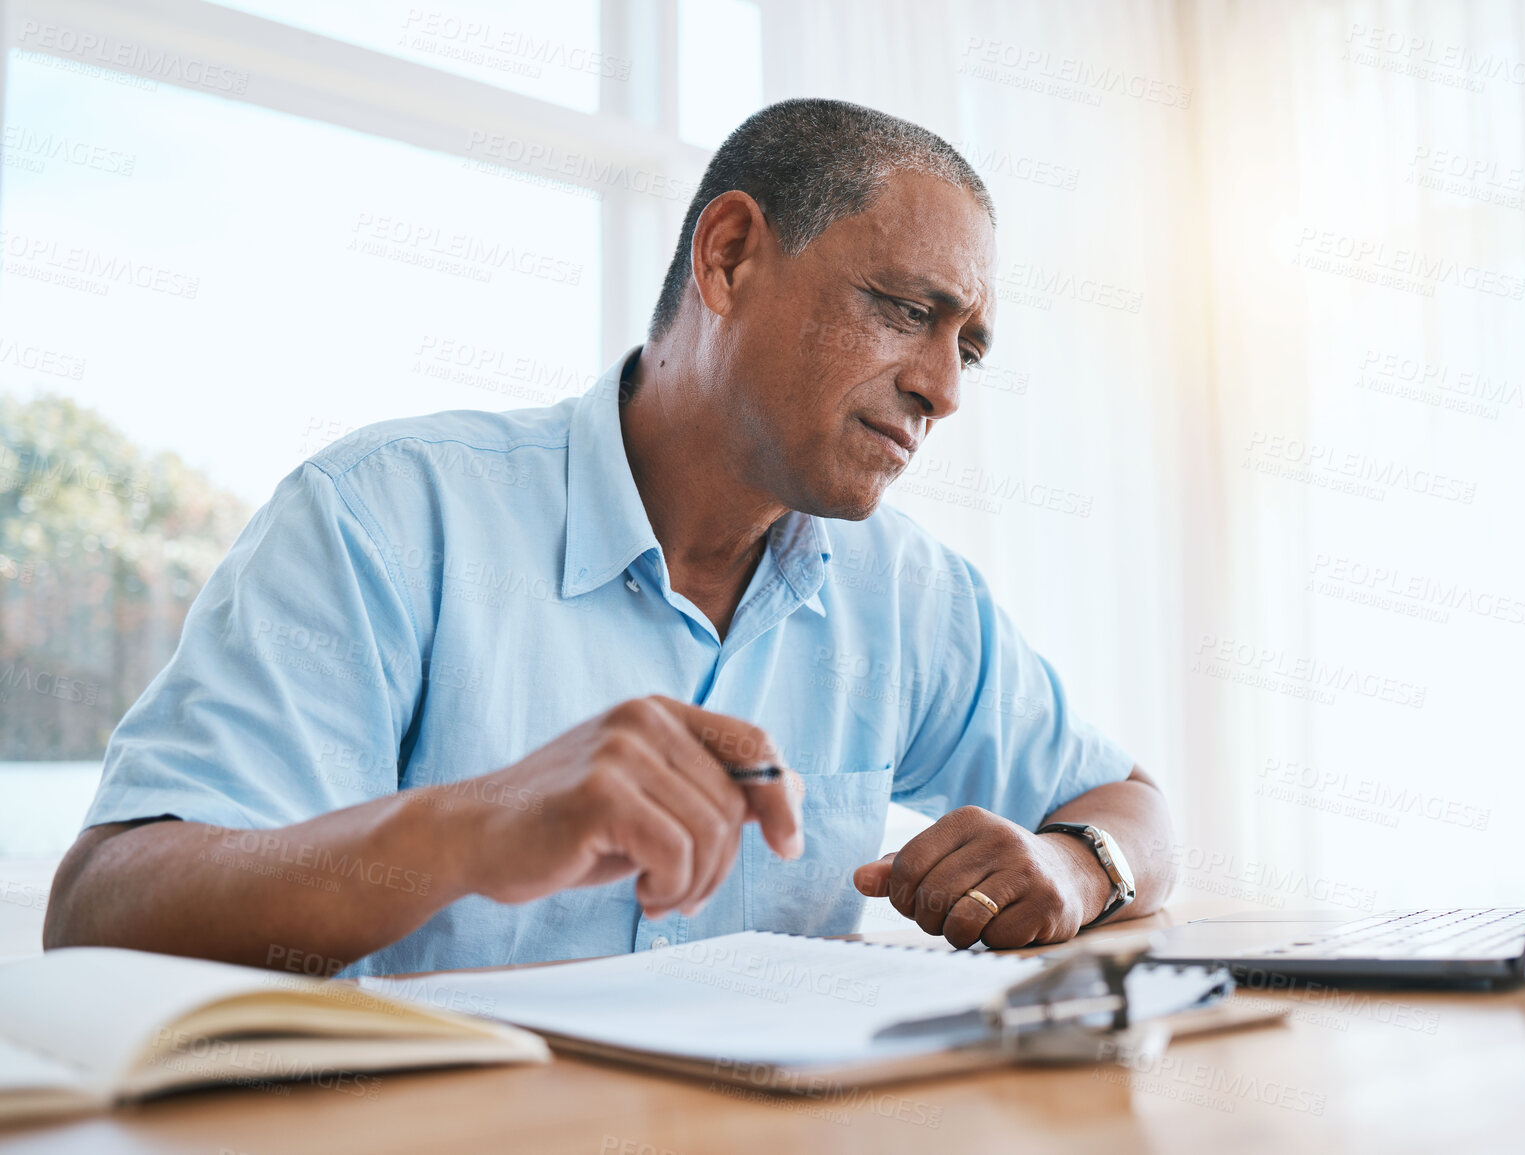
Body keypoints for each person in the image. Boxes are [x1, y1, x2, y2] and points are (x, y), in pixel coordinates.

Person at [45, 98, 1175, 977]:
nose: (941, 389)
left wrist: (1078, 870)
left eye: (968, 347)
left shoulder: (912, 597)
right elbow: (101, 914)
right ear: (728, 255)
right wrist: (475, 825)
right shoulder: (383, 516)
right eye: (905, 308)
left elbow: (1132, 805)